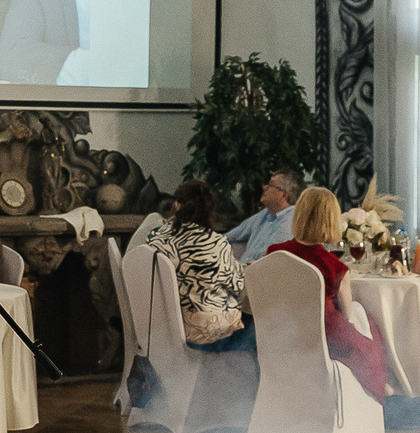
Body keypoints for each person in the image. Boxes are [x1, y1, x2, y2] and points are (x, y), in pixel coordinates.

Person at [270, 185, 389, 401]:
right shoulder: (335, 267)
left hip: (282, 332)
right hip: (321, 336)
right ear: (331, 221)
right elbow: (347, 313)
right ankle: (379, 388)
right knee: (368, 325)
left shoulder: (275, 253)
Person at [146, 179, 251, 352]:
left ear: (174, 207)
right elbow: (238, 287)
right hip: (205, 335)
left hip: (164, 328)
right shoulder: (214, 243)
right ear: (211, 212)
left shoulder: (156, 238)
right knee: (264, 329)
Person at [226, 171, 300, 265]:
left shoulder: (292, 221)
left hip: (263, 275)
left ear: (284, 194)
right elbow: (231, 236)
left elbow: (272, 262)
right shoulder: (266, 213)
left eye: (270, 185)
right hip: (242, 272)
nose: (264, 187)